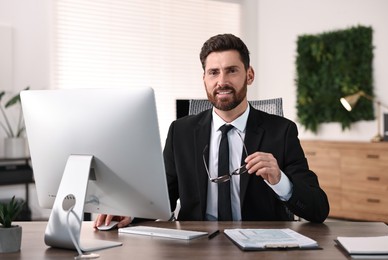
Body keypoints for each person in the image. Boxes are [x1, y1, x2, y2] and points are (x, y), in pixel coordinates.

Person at [94, 33, 329, 228]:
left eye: (232, 71)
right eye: (213, 72)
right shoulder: (180, 132)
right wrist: (131, 213)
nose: (222, 81)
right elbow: (162, 197)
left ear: (249, 75)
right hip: (196, 245)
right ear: (204, 79)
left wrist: (280, 180)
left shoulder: (282, 131)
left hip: (260, 247)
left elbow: (318, 209)